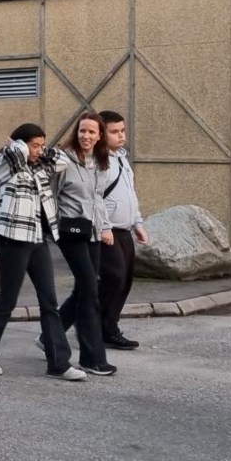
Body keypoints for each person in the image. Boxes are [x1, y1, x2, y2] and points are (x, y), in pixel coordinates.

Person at [0, 123, 85, 381]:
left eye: (42, 145)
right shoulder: (2, 163)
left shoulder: (40, 166)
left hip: (37, 238)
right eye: (34, 144)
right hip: (11, 239)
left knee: (49, 301)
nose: (39, 150)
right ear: (19, 144)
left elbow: (62, 160)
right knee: (7, 300)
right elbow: (13, 154)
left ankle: (58, 363)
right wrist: (18, 145)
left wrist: (40, 150)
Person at [45, 113, 116, 376]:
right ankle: (92, 357)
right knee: (89, 290)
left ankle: (49, 338)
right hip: (70, 232)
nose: (86, 136)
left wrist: (106, 226)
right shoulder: (63, 160)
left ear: (99, 136)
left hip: (93, 232)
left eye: (91, 132)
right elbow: (49, 195)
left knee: (86, 288)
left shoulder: (101, 162)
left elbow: (98, 199)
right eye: (82, 131)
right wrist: (51, 228)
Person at [96, 111, 148, 350]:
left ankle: (108, 327)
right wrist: (104, 226)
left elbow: (130, 195)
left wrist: (138, 223)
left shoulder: (122, 159)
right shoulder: (98, 161)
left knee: (125, 279)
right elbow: (94, 197)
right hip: (106, 231)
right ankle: (100, 327)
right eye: (114, 132)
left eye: (123, 131)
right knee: (114, 277)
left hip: (124, 228)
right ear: (102, 133)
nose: (121, 136)